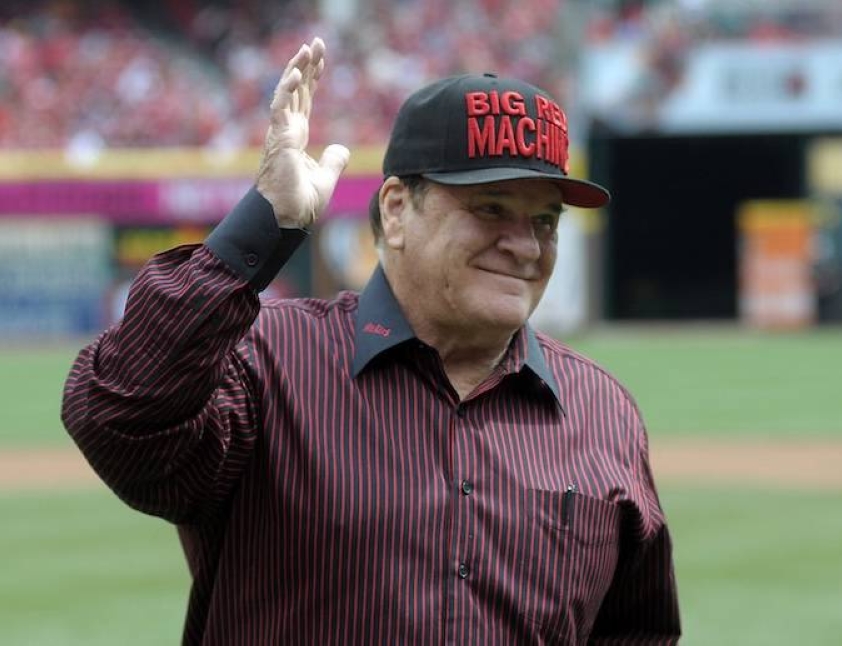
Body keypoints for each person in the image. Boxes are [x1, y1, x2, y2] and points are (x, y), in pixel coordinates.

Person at [62, 37, 681, 645]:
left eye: (544, 220)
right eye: (490, 209)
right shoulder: (268, 361)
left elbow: (637, 630)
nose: (525, 244)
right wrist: (261, 225)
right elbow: (119, 414)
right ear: (395, 210)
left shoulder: (603, 412)